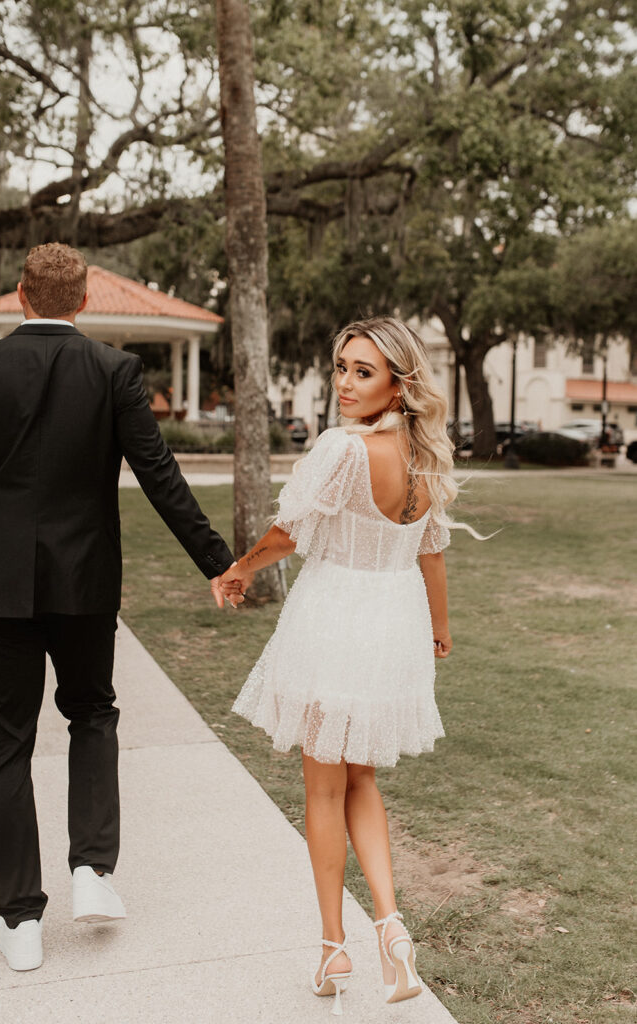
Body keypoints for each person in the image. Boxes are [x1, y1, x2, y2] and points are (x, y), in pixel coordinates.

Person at [0, 243, 234, 972]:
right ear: (84, 301)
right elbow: (160, 475)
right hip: (85, 584)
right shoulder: (115, 371)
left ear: (21, 296)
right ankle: (93, 870)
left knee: (6, 745)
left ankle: (19, 920)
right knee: (91, 714)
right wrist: (217, 562)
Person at [219, 316, 456, 1014]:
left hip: (334, 620)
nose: (346, 384)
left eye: (363, 371)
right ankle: (390, 925)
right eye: (342, 368)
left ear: (397, 383)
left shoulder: (345, 449)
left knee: (324, 788)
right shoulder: (423, 454)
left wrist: (238, 570)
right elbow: (432, 550)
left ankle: (333, 944)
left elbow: (291, 532)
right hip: (394, 622)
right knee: (363, 781)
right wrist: (440, 629)